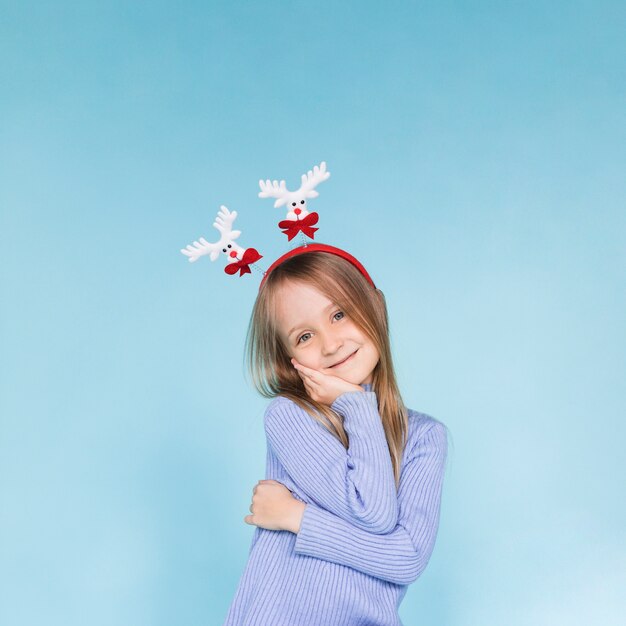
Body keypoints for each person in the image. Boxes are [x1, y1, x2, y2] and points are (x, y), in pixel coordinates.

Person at [222, 249, 449, 626]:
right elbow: (373, 513)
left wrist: (297, 517)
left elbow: (406, 558)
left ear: (374, 305)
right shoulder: (290, 417)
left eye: (339, 314)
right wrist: (356, 405)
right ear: (288, 359)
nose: (330, 345)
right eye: (305, 336)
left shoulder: (424, 438)